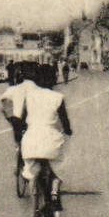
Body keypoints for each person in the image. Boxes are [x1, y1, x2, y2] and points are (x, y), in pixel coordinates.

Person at [18, 71, 74, 201]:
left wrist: (21, 129)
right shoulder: (58, 97)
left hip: (31, 139)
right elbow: (64, 119)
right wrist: (68, 130)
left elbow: (22, 117)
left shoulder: (29, 96)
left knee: (30, 170)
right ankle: (55, 187)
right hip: (51, 139)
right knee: (59, 164)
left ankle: (33, 191)